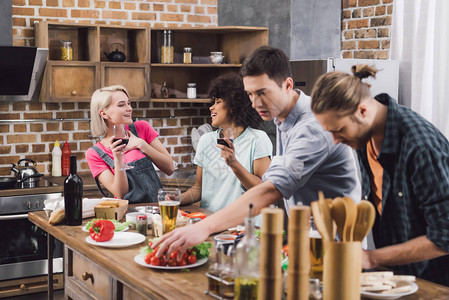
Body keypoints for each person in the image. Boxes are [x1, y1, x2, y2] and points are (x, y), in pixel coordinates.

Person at [153, 46, 361, 259]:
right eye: (250, 94)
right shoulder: (284, 119)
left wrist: (203, 228)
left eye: (262, 93)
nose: (255, 103)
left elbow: (269, 191)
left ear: (287, 85)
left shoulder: (312, 127)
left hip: (335, 247)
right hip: (309, 240)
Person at [310, 65, 449, 286]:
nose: (336, 140)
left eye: (339, 130)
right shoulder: (364, 139)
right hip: (400, 282)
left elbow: (444, 237)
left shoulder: (421, 147)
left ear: (362, 111)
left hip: (436, 286)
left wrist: (371, 257)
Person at [181, 73, 272, 219]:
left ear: (233, 105)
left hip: (245, 225)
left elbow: (264, 190)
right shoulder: (206, 140)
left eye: (218, 102)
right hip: (211, 221)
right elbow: (198, 189)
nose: (211, 107)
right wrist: (174, 200)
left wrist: (234, 164)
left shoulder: (258, 139)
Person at [86, 85, 174, 203]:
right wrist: (118, 159)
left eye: (129, 103)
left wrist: (141, 144)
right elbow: (120, 193)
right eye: (121, 105)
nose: (129, 108)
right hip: (128, 214)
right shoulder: (95, 153)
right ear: (104, 113)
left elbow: (170, 168)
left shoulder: (142, 128)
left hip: (156, 209)